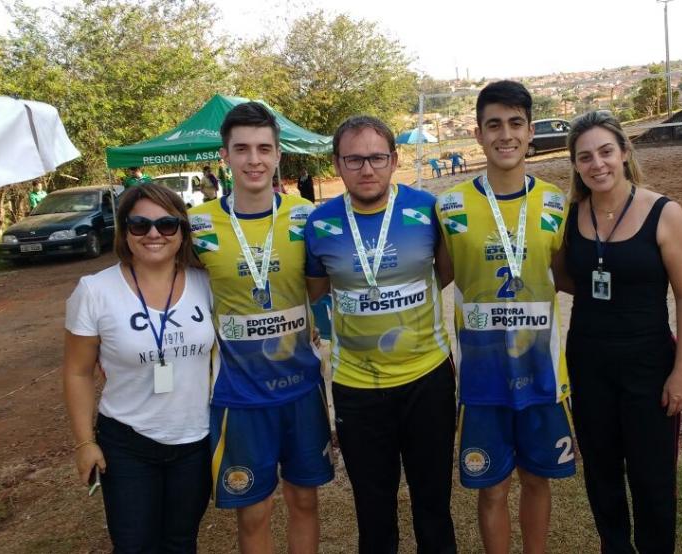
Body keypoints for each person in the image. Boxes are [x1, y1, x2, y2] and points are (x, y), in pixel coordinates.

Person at [305, 115, 457, 554]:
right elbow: (316, 291)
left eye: (376, 157)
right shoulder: (319, 223)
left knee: (433, 503)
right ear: (337, 164)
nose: (366, 169)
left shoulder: (427, 208)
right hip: (357, 387)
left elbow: (443, 274)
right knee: (373, 510)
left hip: (427, 379)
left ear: (393, 160)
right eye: (354, 159)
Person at [435, 80, 576, 554]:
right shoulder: (451, 205)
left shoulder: (555, 202)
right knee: (492, 488)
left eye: (516, 123)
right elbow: (435, 278)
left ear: (530, 130)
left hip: (542, 375)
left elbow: (565, 277)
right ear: (477, 134)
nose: (505, 134)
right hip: (482, 378)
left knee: (538, 480)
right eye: (494, 124)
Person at [187, 102, 333, 553]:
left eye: (264, 149)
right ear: (225, 156)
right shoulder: (196, 226)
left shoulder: (306, 216)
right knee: (255, 511)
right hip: (240, 397)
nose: (254, 159)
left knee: (304, 500)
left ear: (278, 156)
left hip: (301, 389)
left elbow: (322, 288)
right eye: (243, 149)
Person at [563, 110, 682, 553]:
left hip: (649, 364)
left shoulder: (664, 212)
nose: (597, 164)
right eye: (585, 157)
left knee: (652, 477)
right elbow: (568, 280)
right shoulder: (571, 215)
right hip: (588, 364)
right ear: (576, 165)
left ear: (624, 152)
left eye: (606, 151)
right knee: (602, 474)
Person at [63, 183, 214, 552]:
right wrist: (84, 443)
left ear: (182, 231)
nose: (153, 234)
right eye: (139, 225)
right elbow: (77, 372)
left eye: (166, 225)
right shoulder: (95, 290)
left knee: (181, 542)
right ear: (124, 230)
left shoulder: (205, 282)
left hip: (195, 439)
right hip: (128, 441)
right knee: (134, 546)